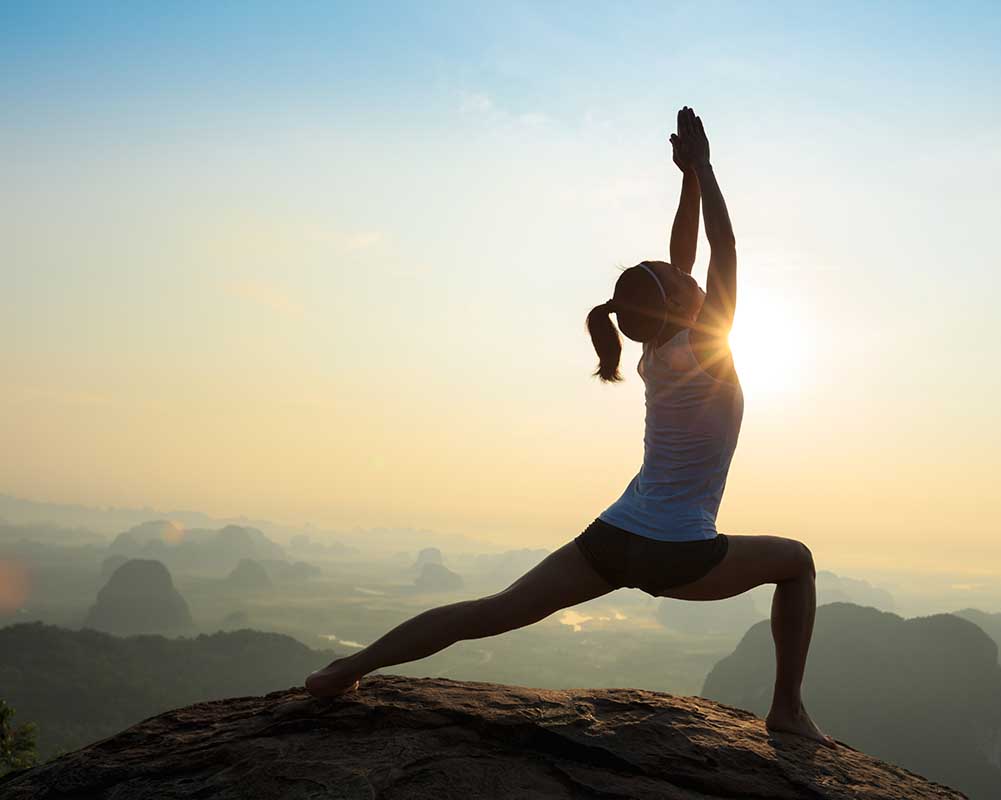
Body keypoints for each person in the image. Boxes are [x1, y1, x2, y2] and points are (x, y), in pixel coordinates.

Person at [305, 106, 833, 747]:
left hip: (614, 535)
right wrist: (708, 167)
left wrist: (688, 180)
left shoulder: (656, 351)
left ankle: (347, 669)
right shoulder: (704, 348)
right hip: (676, 549)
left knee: (490, 613)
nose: (680, 269)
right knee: (797, 563)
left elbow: (687, 258)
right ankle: (788, 710)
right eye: (671, 277)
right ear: (675, 304)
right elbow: (721, 250)